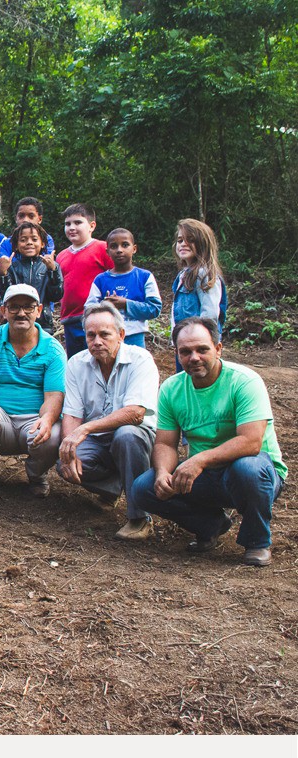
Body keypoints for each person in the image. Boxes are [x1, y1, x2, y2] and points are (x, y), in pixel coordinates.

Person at [129, 317, 286, 567]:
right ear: (177, 354)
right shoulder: (171, 389)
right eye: (185, 351)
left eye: (202, 349)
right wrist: (162, 473)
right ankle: (211, 524)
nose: (194, 357)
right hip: (206, 475)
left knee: (247, 468)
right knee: (143, 488)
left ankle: (257, 541)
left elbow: (251, 441)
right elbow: (165, 444)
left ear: (218, 348)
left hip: (256, 473)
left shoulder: (244, 381)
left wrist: (199, 459)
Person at [56, 302, 159, 539]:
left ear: (121, 335)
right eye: (91, 335)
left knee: (126, 435)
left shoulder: (140, 359)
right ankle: (114, 487)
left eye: (104, 334)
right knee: (66, 463)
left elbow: (135, 413)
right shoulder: (77, 364)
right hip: (99, 441)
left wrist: (84, 429)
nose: (97, 341)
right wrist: (70, 445)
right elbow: (72, 413)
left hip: (138, 437)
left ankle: (140, 517)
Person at [0, 284, 66, 511]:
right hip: (0, 417)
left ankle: (36, 474)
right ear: (4, 310)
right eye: (14, 307)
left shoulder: (53, 349)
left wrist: (46, 420)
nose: (21, 313)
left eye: (28, 307)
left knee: (55, 433)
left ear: (38, 310)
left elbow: (54, 396)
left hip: (33, 419)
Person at [85, 228, 162, 348]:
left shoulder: (144, 277)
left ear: (134, 249)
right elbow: (88, 310)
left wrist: (126, 304)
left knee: (136, 366)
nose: (119, 250)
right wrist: (104, 306)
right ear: (107, 252)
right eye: (114, 246)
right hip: (107, 339)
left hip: (135, 336)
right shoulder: (100, 280)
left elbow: (154, 308)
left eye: (125, 245)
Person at [55, 203, 113, 356]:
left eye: (78, 222)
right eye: (67, 224)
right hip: (69, 319)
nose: (72, 227)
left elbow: (116, 276)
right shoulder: (61, 256)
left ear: (92, 226)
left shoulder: (102, 248)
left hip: (95, 317)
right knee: (77, 361)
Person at [0, 223, 64, 334]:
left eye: (34, 239)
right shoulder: (12, 267)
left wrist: (53, 271)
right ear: (16, 246)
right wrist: (3, 274)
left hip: (43, 324)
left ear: (42, 244)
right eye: (23, 240)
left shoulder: (50, 266)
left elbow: (56, 295)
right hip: (17, 321)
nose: (29, 243)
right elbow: (6, 296)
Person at [171, 218, 226, 332]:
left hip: (199, 340)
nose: (183, 244)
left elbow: (210, 314)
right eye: (180, 240)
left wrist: (203, 339)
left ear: (203, 244)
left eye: (190, 240)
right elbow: (175, 312)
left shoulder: (204, 274)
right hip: (183, 338)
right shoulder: (182, 275)